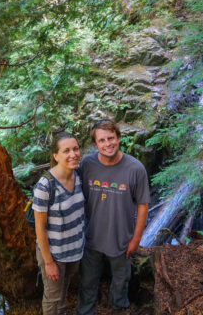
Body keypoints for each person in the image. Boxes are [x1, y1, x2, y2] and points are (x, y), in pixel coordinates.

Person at [75, 119, 150, 314]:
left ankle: (118, 310)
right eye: (102, 140)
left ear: (118, 138)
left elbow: (143, 206)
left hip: (121, 242)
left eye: (111, 138)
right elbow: (77, 196)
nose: (107, 144)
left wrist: (136, 239)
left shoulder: (135, 168)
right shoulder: (87, 164)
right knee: (87, 284)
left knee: (120, 284)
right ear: (95, 144)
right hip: (91, 240)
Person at [33, 132, 86, 315]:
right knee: (52, 298)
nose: (73, 154)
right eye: (66, 151)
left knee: (63, 292)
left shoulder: (78, 175)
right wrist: (48, 262)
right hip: (53, 254)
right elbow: (39, 228)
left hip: (74, 250)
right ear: (55, 156)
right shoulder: (45, 186)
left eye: (76, 149)